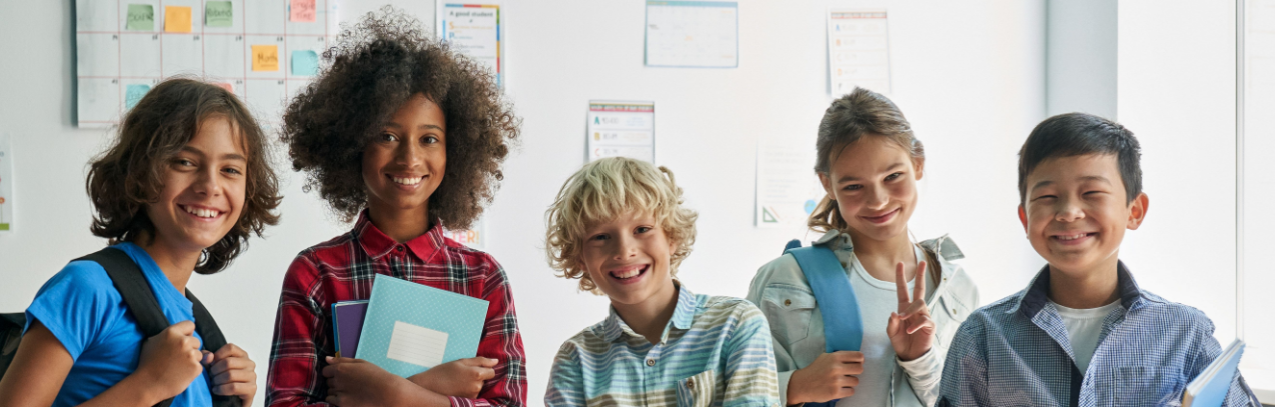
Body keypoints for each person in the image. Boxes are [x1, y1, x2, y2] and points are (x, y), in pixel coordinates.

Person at [264, 8, 526, 407]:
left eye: (429, 139)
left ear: (455, 149)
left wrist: (390, 393)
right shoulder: (315, 273)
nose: (409, 158)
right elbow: (287, 404)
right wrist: (439, 386)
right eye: (387, 135)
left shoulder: (484, 278)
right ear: (352, 144)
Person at [0, 77, 281, 407]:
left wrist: (235, 401)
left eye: (230, 169)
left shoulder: (196, 326)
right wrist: (149, 384)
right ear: (140, 171)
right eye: (184, 162)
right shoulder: (87, 288)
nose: (210, 186)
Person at [937, 112, 1260, 406]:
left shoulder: (1185, 333)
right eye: (1047, 197)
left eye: (1091, 193)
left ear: (1134, 211)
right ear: (1025, 219)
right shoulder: (983, 336)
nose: (1068, 213)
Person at [746, 87, 979, 406]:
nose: (878, 200)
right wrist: (795, 385)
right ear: (827, 184)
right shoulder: (785, 279)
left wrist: (921, 360)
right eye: (854, 186)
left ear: (918, 164)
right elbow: (733, 388)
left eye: (893, 176)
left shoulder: (959, 290)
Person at [543, 157, 780, 407]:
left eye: (642, 229)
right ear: (580, 257)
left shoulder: (736, 324)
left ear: (672, 236)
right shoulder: (575, 359)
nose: (624, 251)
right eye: (601, 236)